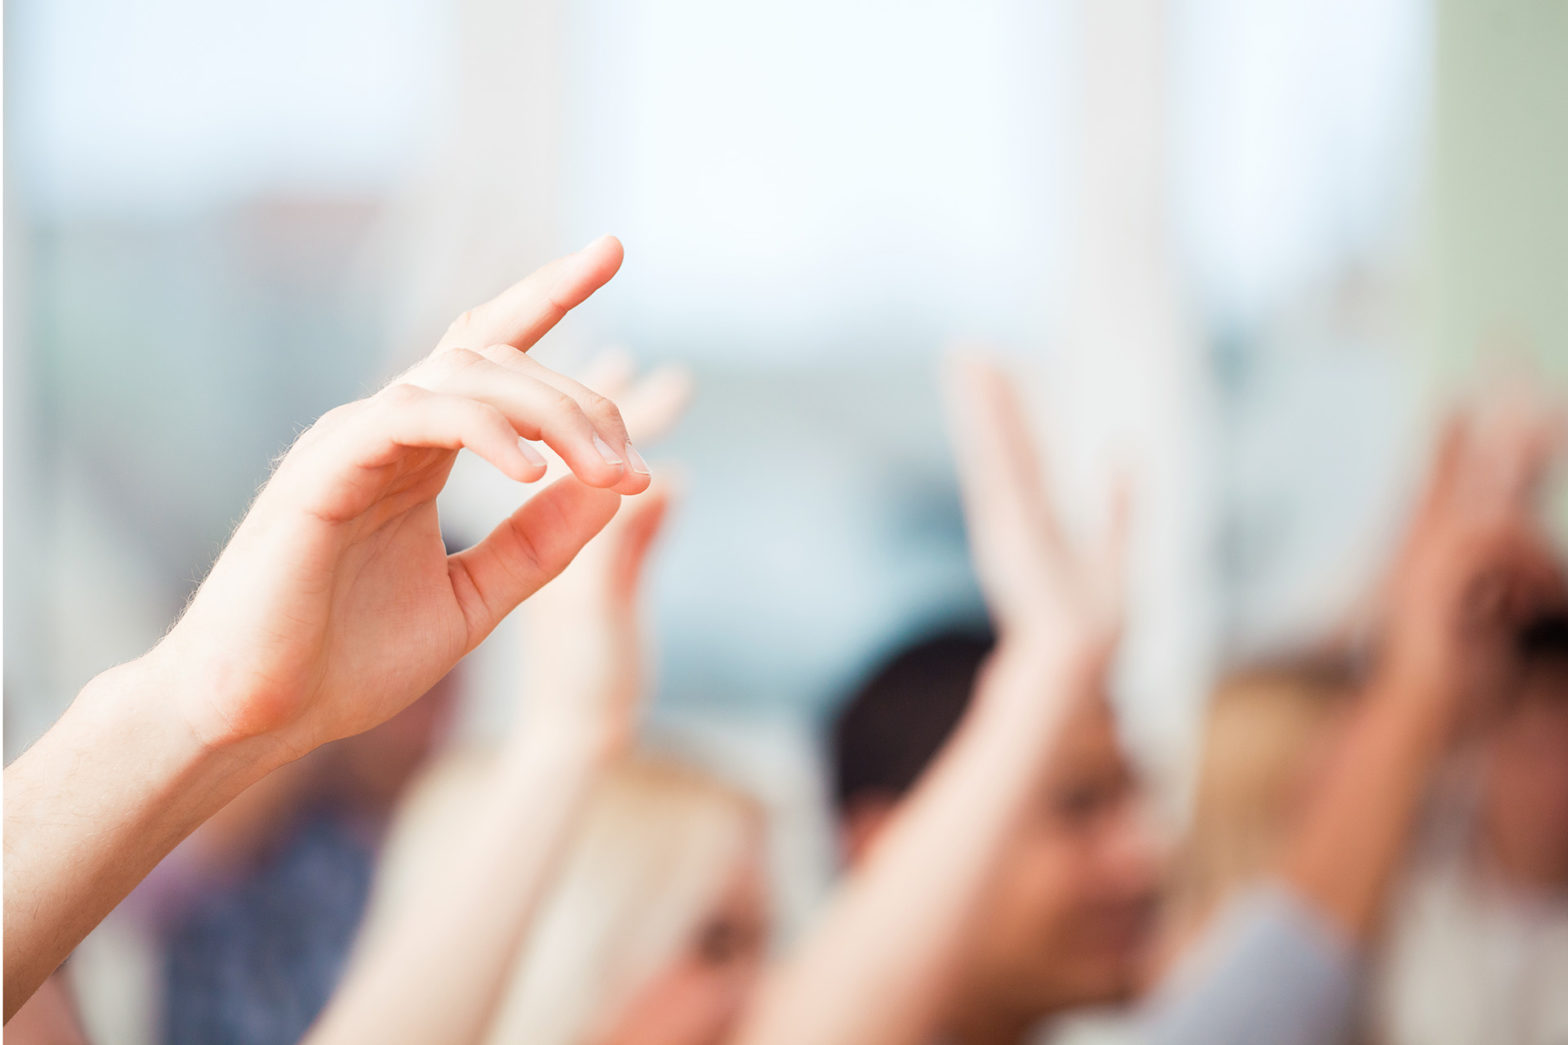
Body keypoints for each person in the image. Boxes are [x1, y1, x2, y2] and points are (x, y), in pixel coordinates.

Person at [3, 234, 652, 1021]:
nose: (423, 710)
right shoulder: (266, 834)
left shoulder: (422, 829)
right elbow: (161, 892)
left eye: (448, 685)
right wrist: (216, 701)